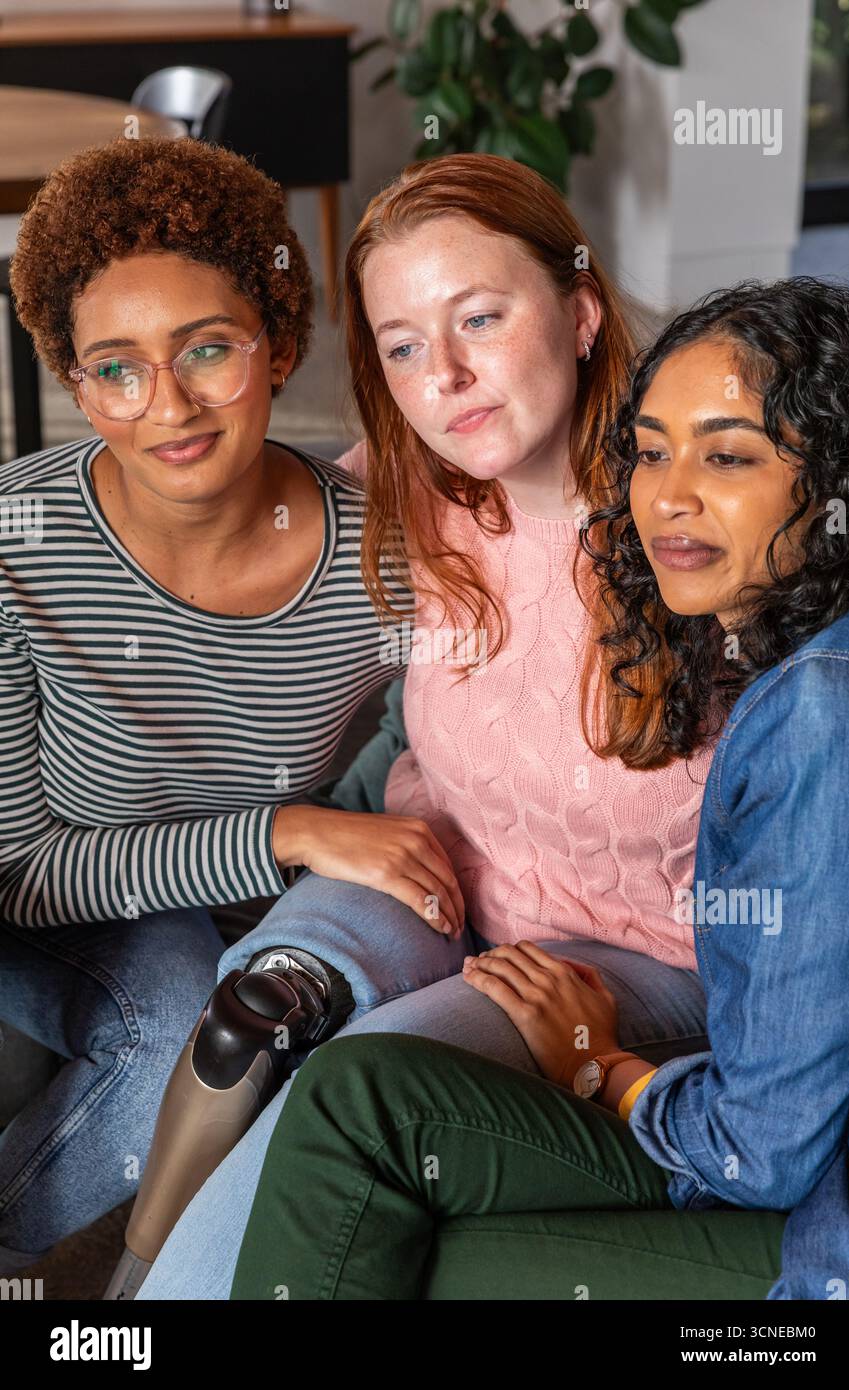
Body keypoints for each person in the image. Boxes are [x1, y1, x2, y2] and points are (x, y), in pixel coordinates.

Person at [139, 155, 721, 1299]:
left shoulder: (701, 517)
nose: (443, 374)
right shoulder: (408, 486)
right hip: (440, 867)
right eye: (401, 345)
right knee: (256, 1012)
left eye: (479, 318)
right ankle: (131, 1295)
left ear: (580, 311)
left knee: (349, 1083)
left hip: (638, 955)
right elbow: (202, 553)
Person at [229, 277, 849, 1302]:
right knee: (365, 1116)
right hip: (794, 1165)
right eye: (650, 450)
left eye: (729, 455)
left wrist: (596, 1060)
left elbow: (769, 1150)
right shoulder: (802, 664)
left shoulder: (824, 711)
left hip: (819, 1235)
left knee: (390, 1189)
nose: (668, 495)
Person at [0, 133, 464, 1270]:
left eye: (207, 348)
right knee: (166, 1014)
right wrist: (288, 835)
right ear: (73, 380)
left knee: (187, 1022)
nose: (168, 403)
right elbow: (21, 869)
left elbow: (460, 728)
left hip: (166, 913)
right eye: (116, 366)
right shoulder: (17, 541)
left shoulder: (382, 561)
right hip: (26, 896)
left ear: (278, 343)